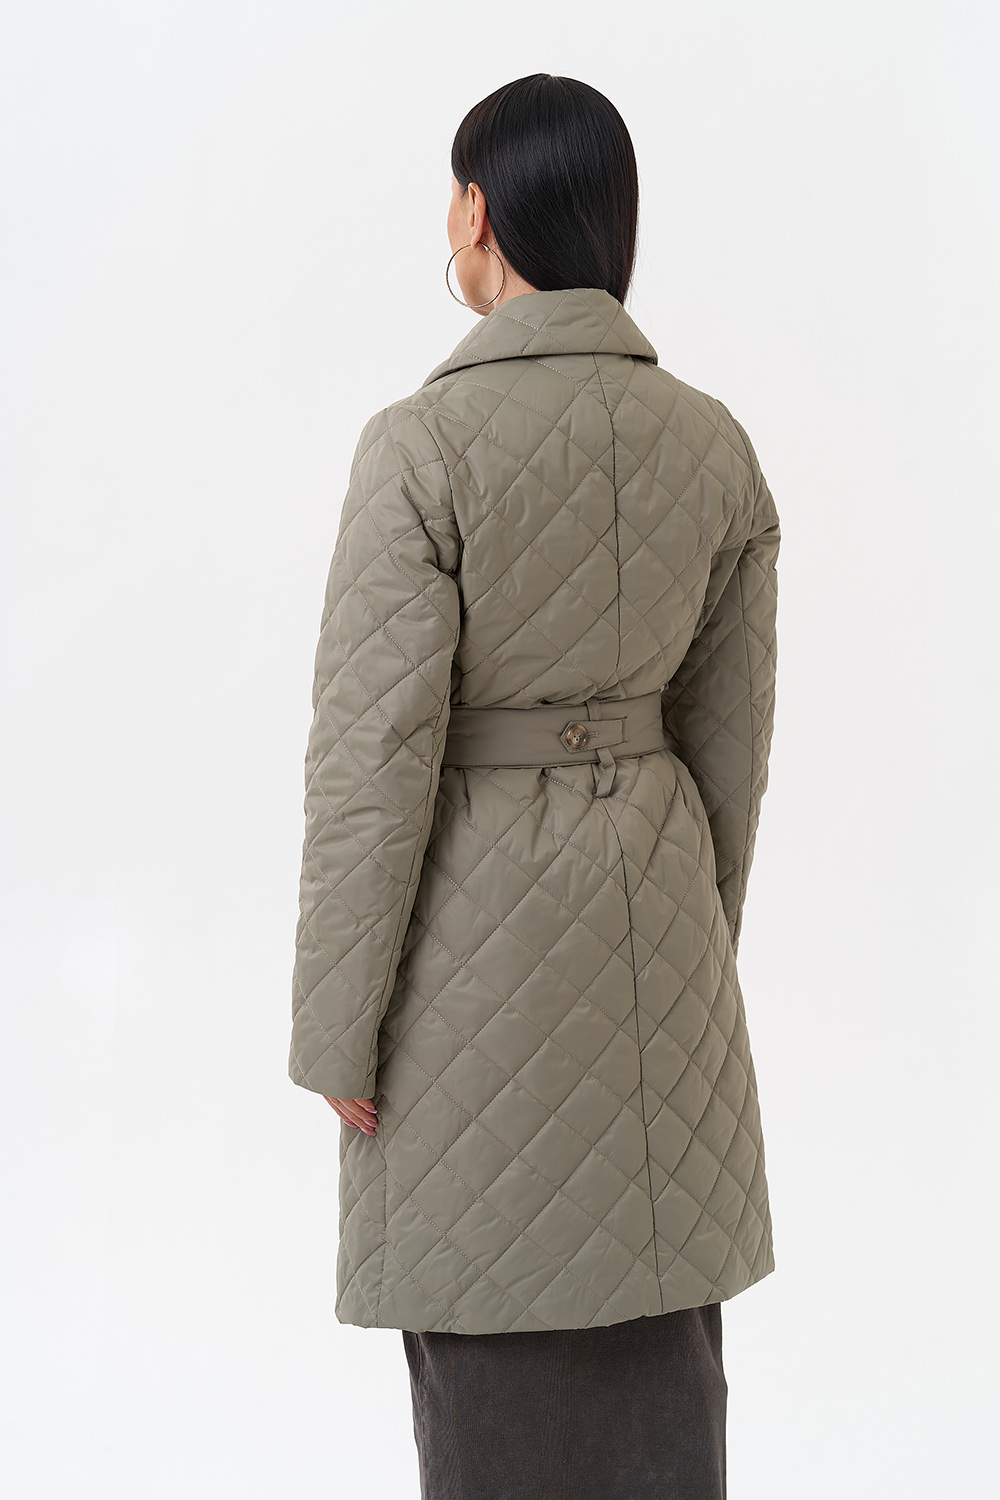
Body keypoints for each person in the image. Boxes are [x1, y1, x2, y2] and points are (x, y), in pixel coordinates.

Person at [288, 72, 780, 1500]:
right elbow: (732, 745)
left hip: (466, 961)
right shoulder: (714, 443)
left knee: (488, 1340)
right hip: (659, 947)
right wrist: (691, 943)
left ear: (478, 211)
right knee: (658, 1367)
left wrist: (336, 1033)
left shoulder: (420, 447)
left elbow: (368, 764)